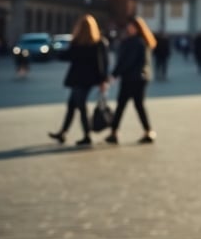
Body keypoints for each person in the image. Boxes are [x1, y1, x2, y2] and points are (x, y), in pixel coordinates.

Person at [48, 14, 109, 147]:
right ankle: (63, 132)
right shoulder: (98, 42)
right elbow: (103, 64)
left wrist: (53, 51)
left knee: (80, 106)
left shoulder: (78, 42)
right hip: (89, 79)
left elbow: (66, 56)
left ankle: (86, 135)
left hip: (78, 78)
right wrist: (103, 80)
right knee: (72, 105)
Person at [106, 15, 157, 145]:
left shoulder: (134, 42)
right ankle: (148, 131)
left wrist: (114, 74)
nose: (129, 28)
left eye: (131, 26)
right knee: (137, 105)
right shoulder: (142, 41)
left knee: (122, 105)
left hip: (131, 78)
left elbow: (125, 62)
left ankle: (114, 132)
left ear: (137, 27)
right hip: (140, 78)